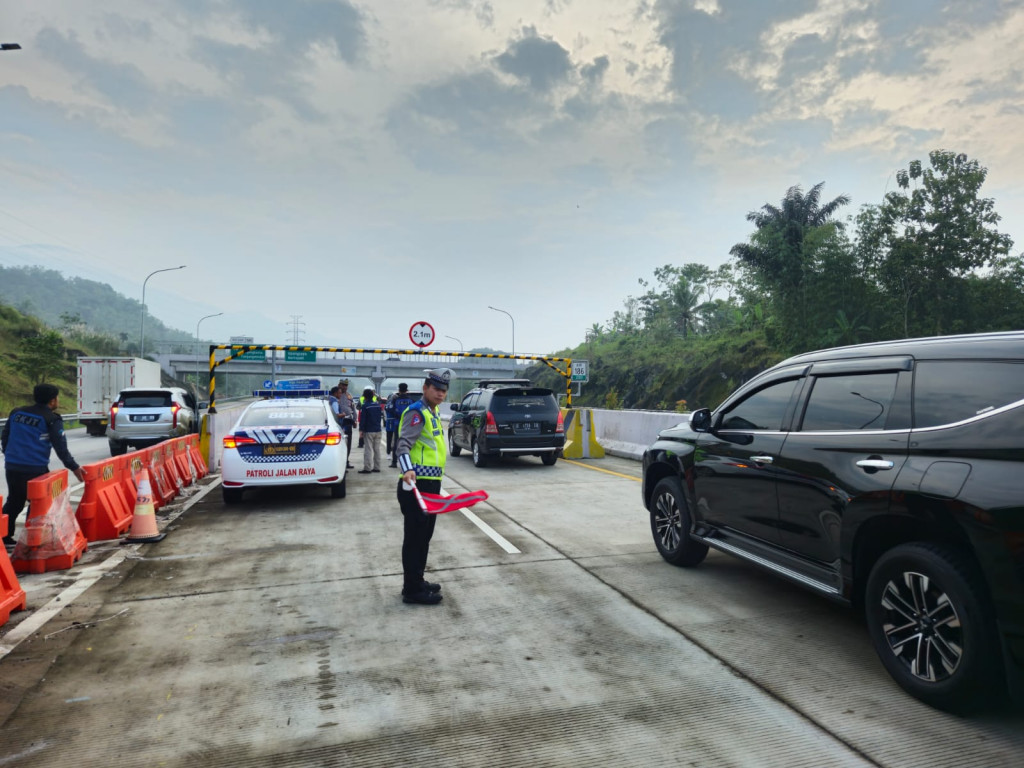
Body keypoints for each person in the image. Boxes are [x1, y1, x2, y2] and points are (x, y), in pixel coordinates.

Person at [2, 383, 86, 548]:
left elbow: (5, 437)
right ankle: (31, 542)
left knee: (14, 501)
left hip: (12, 466)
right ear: (53, 400)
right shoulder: (52, 419)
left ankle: (4, 537)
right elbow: (61, 449)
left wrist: (10, 455)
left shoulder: (16, 413)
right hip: (35, 469)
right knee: (39, 504)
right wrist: (75, 468)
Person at [394, 368, 451, 605]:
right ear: (425, 388)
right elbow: (403, 444)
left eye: (444, 391)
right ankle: (411, 590)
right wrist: (407, 470)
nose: (440, 394)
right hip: (416, 485)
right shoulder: (416, 412)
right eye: (436, 389)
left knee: (424, 537)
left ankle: (417, 580)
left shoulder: (432, 412)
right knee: (415, 538)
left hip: (431, 485)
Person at [385, 382, 415, 468]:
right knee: (409, 443)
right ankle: (409, 463)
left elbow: (389, 409)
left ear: (399, 390)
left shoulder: (396, 400)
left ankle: (394, 462)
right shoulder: (411, 400)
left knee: (397, 443)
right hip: (408, 425)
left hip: (398, 424)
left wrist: (398, 414)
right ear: (407, 390)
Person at [357, 386, 384, 473]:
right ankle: (377, 467)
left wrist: (361, 430)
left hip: (368, 430)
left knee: (368, 449)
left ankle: (367, 468)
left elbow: (363, 419)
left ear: (364, 396)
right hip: (378, 430)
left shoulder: (365, 406)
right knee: (377, 449)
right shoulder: (377, 405)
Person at [336, 379, 356, 469]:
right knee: (340, 443)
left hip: (348, 421)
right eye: (343, 385)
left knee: (348, 443)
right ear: (339, 385)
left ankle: (346, 461)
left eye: (346, 385)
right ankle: (341, 463)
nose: (345, 387)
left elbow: (353, 408)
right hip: (340, 422)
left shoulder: (349, 395)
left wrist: (354, 420)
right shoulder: (336, 395)